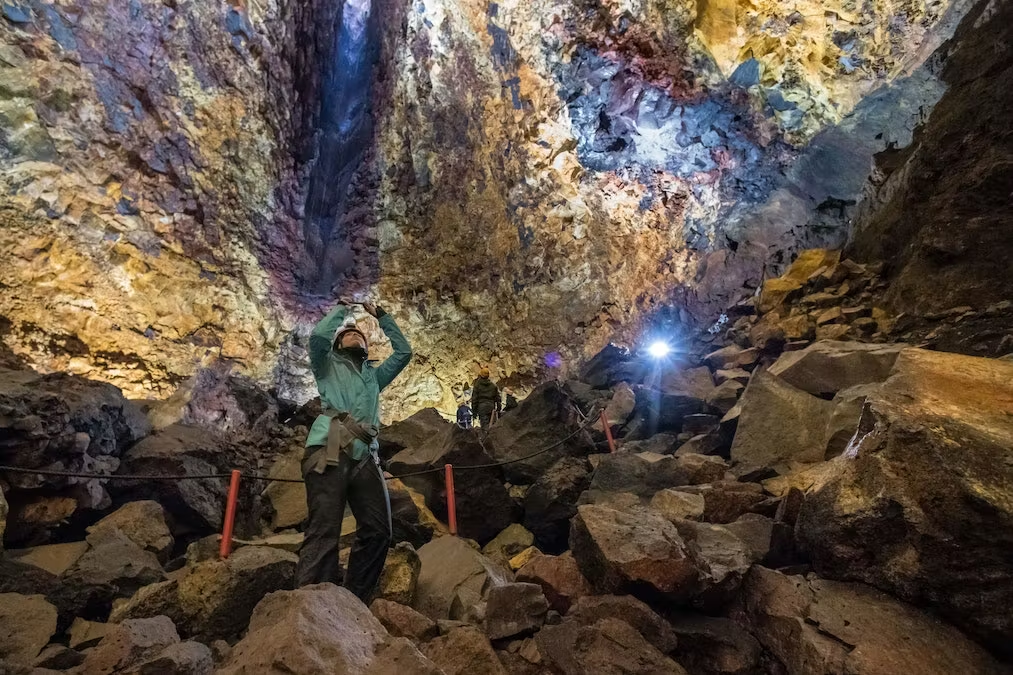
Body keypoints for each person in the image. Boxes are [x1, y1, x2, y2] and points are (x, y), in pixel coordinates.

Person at [295, 300, 412, 601]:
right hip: (329, 446)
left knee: (379, 531)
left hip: (365, 457)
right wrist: (342, 313)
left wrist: (382, 317)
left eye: (360, 334)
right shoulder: (326, 363)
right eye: (348, 333)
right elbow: (319, 338)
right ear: (338, 342)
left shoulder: (373, 376)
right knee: (324, 530)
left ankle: (353, 599)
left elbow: (404, 353)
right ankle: (308, 605)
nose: (354, 333)